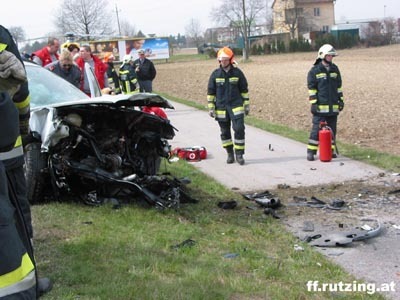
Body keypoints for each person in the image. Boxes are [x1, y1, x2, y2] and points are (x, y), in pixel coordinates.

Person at [0, 24, 52, 297]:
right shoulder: (1, 35)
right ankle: (25, 285)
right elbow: (20, 90)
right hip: (7, 148)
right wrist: (22, 125)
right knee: (15, 217)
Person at [207, 47, 249, 165]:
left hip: (236, 106)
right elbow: (211, 92)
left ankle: (239, 154)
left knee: (239, 129)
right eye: (221, 60)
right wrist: (211, 107)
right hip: (221, 108)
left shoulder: (237, 73)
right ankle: (230, 154)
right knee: (225, 132)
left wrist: (246, 105)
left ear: (230, 59)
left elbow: (244, 90)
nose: (223, 62)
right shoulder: (215, 75)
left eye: (225, 60)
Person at [306, 44, 344, 161]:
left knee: (332, 131)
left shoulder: (335, 69)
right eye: (329, 55)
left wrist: (341, 101)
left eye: (332, 56)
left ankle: (330, 151)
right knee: (316, 130)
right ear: (322, 55)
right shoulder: (314, 71)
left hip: (333, 108)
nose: (331, 58)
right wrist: (314, 103)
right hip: (320, 109)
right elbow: (312, 89)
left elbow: (339, 87)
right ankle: (311, 152)